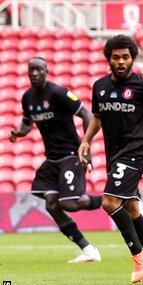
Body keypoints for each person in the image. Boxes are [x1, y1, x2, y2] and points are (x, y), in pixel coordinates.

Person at [78, 35, 143, 285]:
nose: (121, 61)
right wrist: (86, 141)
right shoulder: (99, 86)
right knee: (132, 209)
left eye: (125, 57)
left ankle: (138, 254)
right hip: (115, 155)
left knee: (109, 202)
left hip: (135, 152)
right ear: (109, 59)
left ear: (132, 59)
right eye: (116, 57)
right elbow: (98, 117)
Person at [10, 57, 102, 264]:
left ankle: (108, 200)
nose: (34, 73)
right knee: (52, 204)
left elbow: (87, 116)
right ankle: (88, 249)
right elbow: (27, 124)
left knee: (69, 203)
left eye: (39, 69)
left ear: (46, 71)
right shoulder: (28, 98)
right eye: (31, 70)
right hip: (51, 159)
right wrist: (19, 133)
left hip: (71, 154)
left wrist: (86, 148)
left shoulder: (59, 93)